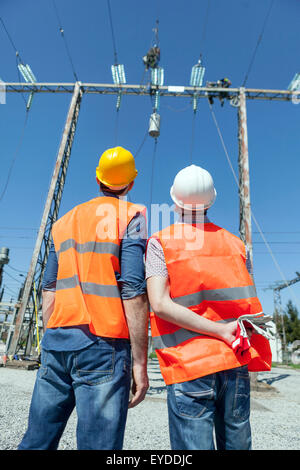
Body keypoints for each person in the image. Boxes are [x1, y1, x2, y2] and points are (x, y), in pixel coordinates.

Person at [19, 146, 149, 450]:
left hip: (57, 341)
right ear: (131, 183)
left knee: (36, 441)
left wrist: (50, 336)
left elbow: (48, 287)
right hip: (103, 344)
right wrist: (140, 365)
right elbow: (132, 290)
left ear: (97, 179)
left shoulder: (64, 223)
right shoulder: (132, 215)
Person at [146, 164, 272, 450]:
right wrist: (227, 333)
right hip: (234, 361)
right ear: (212, 199)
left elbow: (159, 304)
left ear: (174, 200)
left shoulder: (161, 243)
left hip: (191, 366)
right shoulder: (236, 244)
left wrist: (218, 331)